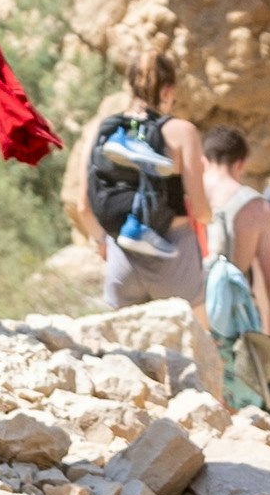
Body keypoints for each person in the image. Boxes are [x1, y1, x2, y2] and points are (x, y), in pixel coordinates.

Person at [63, 24, 214, 379]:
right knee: (196, 355)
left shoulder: (103, 128)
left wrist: (102, 243)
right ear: (169, 90)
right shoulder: (181, 132)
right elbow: (203, 211)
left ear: (130, 84)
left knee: (125, 362)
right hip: (174, 253)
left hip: (121, 256)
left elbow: (84, 204)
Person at [196, 116, 270, 416]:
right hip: (227, 322)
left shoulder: (189, 192)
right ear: (241, 163)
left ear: (204, 160)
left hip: (188, 309)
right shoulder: (254, 206)